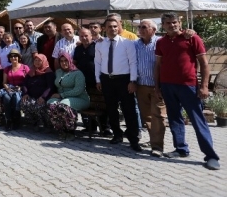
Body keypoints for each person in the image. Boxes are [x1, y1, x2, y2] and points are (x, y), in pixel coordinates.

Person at [155, 12, 220, 170]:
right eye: (168, 23)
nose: (172, 25)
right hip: (167, 85)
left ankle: (211, 156)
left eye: (174, 22)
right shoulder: (161, 42)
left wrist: (204, 86)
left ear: (179, 23)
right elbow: (157, 66)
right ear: (163, 25)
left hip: (188, 86)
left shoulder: (191, 38)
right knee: (174, 119)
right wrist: (157, 87)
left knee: (198, 121)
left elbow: (204, 64)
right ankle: (181, 149)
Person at [94, 17, 141, 152]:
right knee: (111, 109)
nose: (113, 29)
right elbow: (97, 63)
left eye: (115, 26)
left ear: (119, 26)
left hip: (124, 80)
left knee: (129, 110)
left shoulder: (127, 43)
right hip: (107, 80)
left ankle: (133, 139)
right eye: (110, 26)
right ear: (105, 28)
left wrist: (133, 81)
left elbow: (133, 62)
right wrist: (98, 80)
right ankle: (117, 134)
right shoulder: (100, 44)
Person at [134, 19, 166, 158]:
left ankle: (157, 146)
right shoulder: (135, 44)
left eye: (144, 27)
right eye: (140, 27)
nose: (140, 29)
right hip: (141, 85)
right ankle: (154, 140)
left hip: (157, 86)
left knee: (158, 115)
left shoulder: (161, 42)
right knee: (146, 116)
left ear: (153, 29)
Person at [73, 28, 110, 136]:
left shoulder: (97, 46)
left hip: (97, 81)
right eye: (81, 36)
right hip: (83, 81)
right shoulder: (78, 48)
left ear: (91, 36)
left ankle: (105, 128)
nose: (84, 38)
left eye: (86, 36)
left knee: (102, 104)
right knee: (87, 104)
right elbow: (75, 62)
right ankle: (90, 127)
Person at [47, 52, 90, 136]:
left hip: (80, 98)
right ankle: (61, 129)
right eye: (61, 61)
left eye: (66, 60)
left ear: (70, 61)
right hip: (63, 98)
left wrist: (61, 95)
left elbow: (78, 90)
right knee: (50, 103)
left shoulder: (77, 73)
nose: (63, 63)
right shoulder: (58, 72)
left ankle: (70, 130)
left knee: (63, 105)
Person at [20, 54, 55, 129]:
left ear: (44, 61)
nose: (37, 62)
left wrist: (43, 97)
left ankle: (46, 123)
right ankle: (33, 122)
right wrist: (25, 93)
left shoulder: (48, 72)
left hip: (43, 97)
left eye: (39, 60)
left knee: (38, 106)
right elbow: (25, 83)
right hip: (32, 95)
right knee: (24, 103)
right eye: (35, 60)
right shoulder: (32, 71)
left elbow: (50, 87)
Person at [0, 49, 30, 130]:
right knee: (6, 98)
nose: (13, 58)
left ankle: (16, 120)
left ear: (19, 57)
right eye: (11, 56)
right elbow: (4, 82)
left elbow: (29, 81)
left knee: (15, 98)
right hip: (10, 88)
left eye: (15, 56)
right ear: (9, 58)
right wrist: (7, 88)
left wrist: (21, 87)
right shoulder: (7, 69)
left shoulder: (25, 67)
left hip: (21, 88)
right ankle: (8, 120)